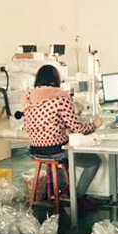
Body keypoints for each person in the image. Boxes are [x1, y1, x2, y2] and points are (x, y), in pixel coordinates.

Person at [23, 64, 103, 209]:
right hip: (56, 150)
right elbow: (77, 128)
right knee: (94, 161)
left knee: (61, 160)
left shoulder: (28, 97)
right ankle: (77, 198)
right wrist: (94, 124)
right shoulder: (60, 97)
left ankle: (59, 191)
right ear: (57, 80)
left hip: (35, 150)